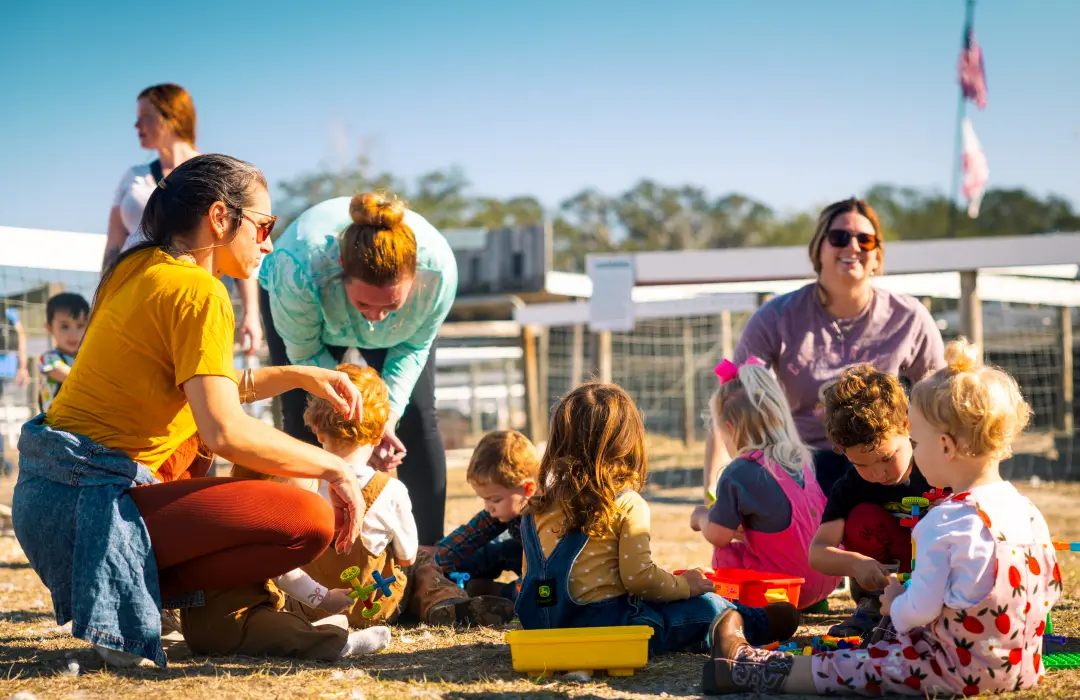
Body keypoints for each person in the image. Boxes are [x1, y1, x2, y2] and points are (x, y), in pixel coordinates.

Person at [12, 154, 369, 669]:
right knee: (307, 519)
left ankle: (172, 605)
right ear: (220, 218)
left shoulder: (136, 268)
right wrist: (336, 468)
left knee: (204, 445)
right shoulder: (200, 290)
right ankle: (145, 603)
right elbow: (223, 429)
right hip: (93, 507)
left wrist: (298, 374)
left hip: (48, 500)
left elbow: (201, 387)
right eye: (264, 225)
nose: (268, 242)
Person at [703, 339, 1060, 696]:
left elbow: (917, 610)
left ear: (945, 446)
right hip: (1021, 667)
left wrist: (895, 604)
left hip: (952, 669)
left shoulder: (944, 521)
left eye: (918, 441)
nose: (914, 452)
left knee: (844, 667)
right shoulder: (1028, 511)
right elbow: (1051, 590)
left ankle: (744, 668)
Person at [516, 382, 800, 654]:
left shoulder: (535, 508)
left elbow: (535, 576)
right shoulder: (626, 503)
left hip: (540, 625)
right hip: (607, 628)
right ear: (627, 443)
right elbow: (639, 580)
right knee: (706, 607)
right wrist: (686, 585)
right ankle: (758, 623)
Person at [703, 198, 945, 503]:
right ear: (818, 249)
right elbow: (731, 398)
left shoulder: (909, 316)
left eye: (865, 240)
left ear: (877, 257)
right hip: (802, 465)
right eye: (839, 237)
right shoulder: (776, 316)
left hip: (884, 462)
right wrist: (713, 491)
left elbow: (942, 401)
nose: (853, 246)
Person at [259, 192, 458, 545]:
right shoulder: (298, 269)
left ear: (414, 278)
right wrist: (359, 419)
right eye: (364, 303)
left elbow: (412, 348)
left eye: (390, 305)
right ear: (341, 268)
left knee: (416, 416)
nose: (375, 318)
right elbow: (305, 353)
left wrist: (384, 420)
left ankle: (430, 554)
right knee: (307, 418)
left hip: (402, 334)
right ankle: (306, 545)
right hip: (310, 316)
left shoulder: (439, 275)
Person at [261, 363, 515, 628]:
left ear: (316, 429)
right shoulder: (391, 490)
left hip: (312, 606)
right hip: (376, 606)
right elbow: (407, 557)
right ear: (379, 434)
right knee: (421, 562)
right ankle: (443, 602)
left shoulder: (300, 483)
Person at [104, 83, 262, 356]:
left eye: (145, 116)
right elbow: (113, 246)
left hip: (195, 295)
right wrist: (103, 302)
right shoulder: (133, 177)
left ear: (172, 117)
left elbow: (241, 239)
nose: (136, 125)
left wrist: (251, 312)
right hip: (137, 293)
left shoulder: (215, 173)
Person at [689, 358, 841, 611]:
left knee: (725, 550)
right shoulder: (800, 459)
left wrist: (701, 517)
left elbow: (717, 535)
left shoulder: (739, 472)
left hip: (780, 591)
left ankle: (737, 608)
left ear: (729, 428)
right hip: (825, 578)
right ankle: (812, 602)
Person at [808, 364, 946, 638]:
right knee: (863, 517)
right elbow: (818, 552)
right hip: (884, 589)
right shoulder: (850, 487)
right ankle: (874, 610)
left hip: (937, 584)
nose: (878, 473)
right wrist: (855, 563)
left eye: (886, 457)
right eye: (861, 464)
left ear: (907, 426)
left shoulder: (938, 469)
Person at [434, 429, 538, 601]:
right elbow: (471, 534)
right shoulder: (507, 509)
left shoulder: (548, 519)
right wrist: (436, 561)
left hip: (544, 569)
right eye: (484, 499)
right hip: (520, 555)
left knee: (535, 592)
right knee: (492, 550)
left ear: (528, 489)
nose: (489, 508)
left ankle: (497, 592)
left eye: (495, 500)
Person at [37, 292, 90, 413]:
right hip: (53, 422)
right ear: (49, 328)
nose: (73, 334)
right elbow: (74, 380)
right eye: (65, 327)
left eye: (80, 326)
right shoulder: (48, 358)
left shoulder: (86, 359)